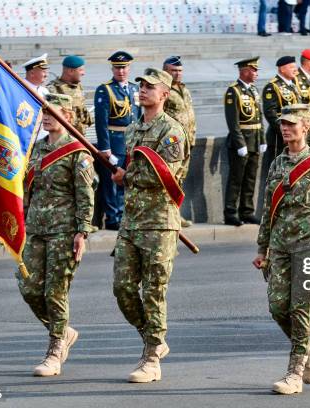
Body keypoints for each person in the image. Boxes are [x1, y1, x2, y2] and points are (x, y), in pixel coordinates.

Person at [254, 104, 310, 395]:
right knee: (278, 307)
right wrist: (262, 247)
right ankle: (309, 346)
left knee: (300, 306)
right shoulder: (278, 163)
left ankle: (295, 372)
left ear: (306, 126)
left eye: (291, 123)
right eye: (282, 123)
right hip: (279, 244)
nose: (285, 127)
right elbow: (268, 207)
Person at [111, 68, 190, 383]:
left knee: (154, 290)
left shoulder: (171, 131)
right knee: (123, 289)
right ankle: (154, 338)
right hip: (131, 221)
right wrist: (124, 175)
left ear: (164, 94)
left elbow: (165, 178)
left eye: (150, 87)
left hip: (159, 223)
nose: (142, 90)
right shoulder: (133, 130)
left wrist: (124, 176)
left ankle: (151, 358)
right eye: (140, 86)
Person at [19, 93, 94, 376]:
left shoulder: (77, 152)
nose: (46, 116)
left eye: (53, 111)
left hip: (64, 231)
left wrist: (82, 233)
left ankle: (54, 351)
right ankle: (64, 331)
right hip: (36, 228)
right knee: (28, 287)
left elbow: (85, 196)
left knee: (55, 291)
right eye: (44, 111)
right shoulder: (36, 148)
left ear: (69, 117)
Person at [94, 51, 141, 230]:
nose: (121, 71)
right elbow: (101, 121)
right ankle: (113, 218)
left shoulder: (134, 88)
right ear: (112, 68)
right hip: (113, 142)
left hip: (130, 141)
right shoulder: (105, 89)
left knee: (126, 180)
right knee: (112, 180)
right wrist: (105, 148)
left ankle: (123, 214)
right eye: (117, 68)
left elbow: (138, 116)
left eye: (124, 67)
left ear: (129, 68)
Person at [223, 57, 265, 227]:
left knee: (250, 178)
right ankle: (230, 212)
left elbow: (259, 116)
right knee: (236, 179)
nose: (256, 74)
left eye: (256, 71)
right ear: (244, 71)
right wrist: (240, 144)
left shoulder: (254, 90)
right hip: (241, 141)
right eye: (253, 70)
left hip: (254, 139)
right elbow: (232, 122)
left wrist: (261, 138)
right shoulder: (234, 91)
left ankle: (247, 211)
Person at [163, 56, 196, 228]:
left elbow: (190, 115)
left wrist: (192, 138)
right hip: (172, 144)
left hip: (186, 143)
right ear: (165, 71)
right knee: (170, 180)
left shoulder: (184, 89)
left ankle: (176, 213)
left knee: (180, 180)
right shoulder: (163, 91)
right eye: (174, 71)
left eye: (180, 71)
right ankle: (168, 214)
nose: (177, 74)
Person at [261, 56, 302, 183]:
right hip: (279, 138)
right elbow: (270, 113)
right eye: (292, 67)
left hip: (295, 136)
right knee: (277, 177)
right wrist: (284, 131)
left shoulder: (293, 85)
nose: (295, 70)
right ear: (282, 69)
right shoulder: (272, 87)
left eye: (295, 67)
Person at [47, 55, 93, 136]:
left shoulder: (78, 86)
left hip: (80, 137)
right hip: (63, 139)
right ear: (71, 71)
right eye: (81, 70)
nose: (83, 73)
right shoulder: (53, 89)